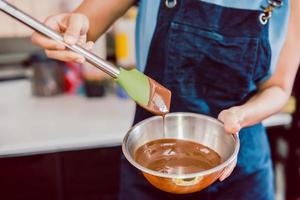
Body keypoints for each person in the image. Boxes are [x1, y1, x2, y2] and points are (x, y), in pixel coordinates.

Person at [31, 0, 300, 199]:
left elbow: (278, 87)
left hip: (242, 168)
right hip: (150, 169)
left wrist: (239, 117)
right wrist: (69, 30)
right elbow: (82, 29)